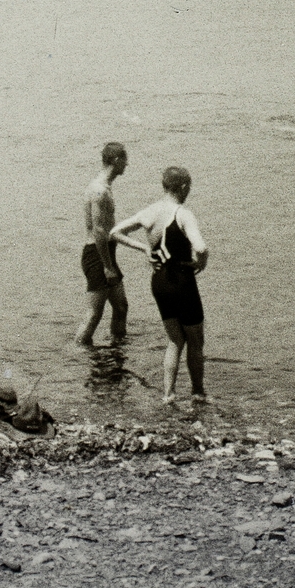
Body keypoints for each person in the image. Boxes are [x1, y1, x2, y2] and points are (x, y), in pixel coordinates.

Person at [111, 166, 210, 403]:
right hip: (182, 281)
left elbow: (115, 232)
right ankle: (197, 393)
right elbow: (201, 247)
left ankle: (168, 394)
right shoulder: (183, 214)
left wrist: (145, 248)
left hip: (160, 282)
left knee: (175, 340)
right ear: (184, 187)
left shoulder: (149, 212)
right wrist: (200, 263)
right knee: (195, 341)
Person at [77, 142, 144, 346]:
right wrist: (107, 266)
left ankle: (117, 351)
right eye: (125, 160)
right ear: (116, 160)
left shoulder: (104, 187)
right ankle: (79, 352)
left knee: (121, 306)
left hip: (106, 253)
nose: (127, 164)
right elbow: (98, 230)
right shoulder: (99, 191)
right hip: (97, 255)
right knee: (94, 315)